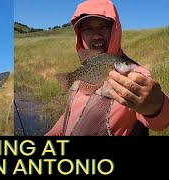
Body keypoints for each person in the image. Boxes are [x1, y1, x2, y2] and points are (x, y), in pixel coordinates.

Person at [45, 0, 169, 136]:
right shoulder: (86, 70)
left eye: (104, 26)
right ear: (79, 35)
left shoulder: (135, 74)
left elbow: (159, 123)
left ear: (115, 30)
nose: (97, 35)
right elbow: (69, 117)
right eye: (87, 29)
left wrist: (157, 106)